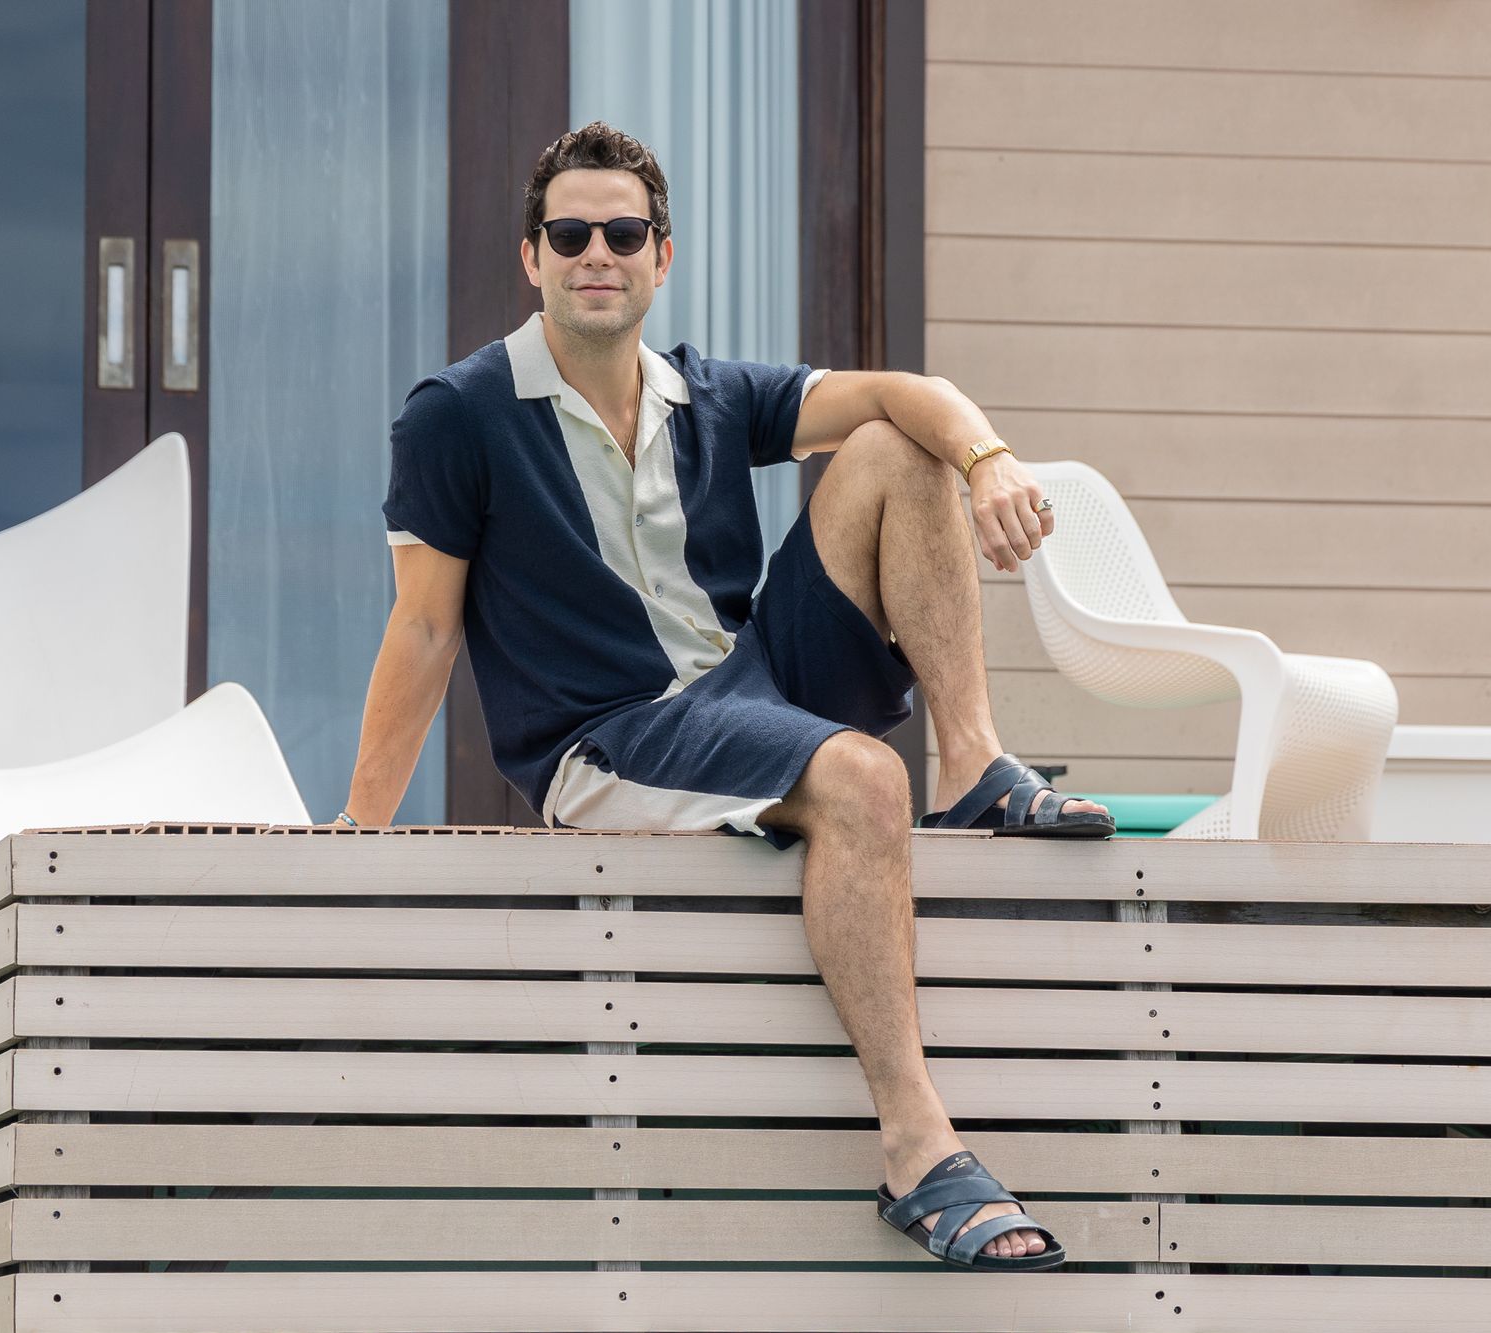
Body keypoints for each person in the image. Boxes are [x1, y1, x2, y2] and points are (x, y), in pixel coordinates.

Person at [340, 121, 1113, 1272]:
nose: (594, 252)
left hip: (741, 688)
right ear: (530, 257)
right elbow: (423, 624)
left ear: (662, 256)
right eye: (568, 233)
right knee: (858, 775)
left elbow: (912, 389)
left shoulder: (699, 392)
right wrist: (359, 831)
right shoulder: (458, 414)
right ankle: (917, 1146)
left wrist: (988, 458)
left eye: (621, 232)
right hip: (607, 738)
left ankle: (974, 765)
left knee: (900, 443)